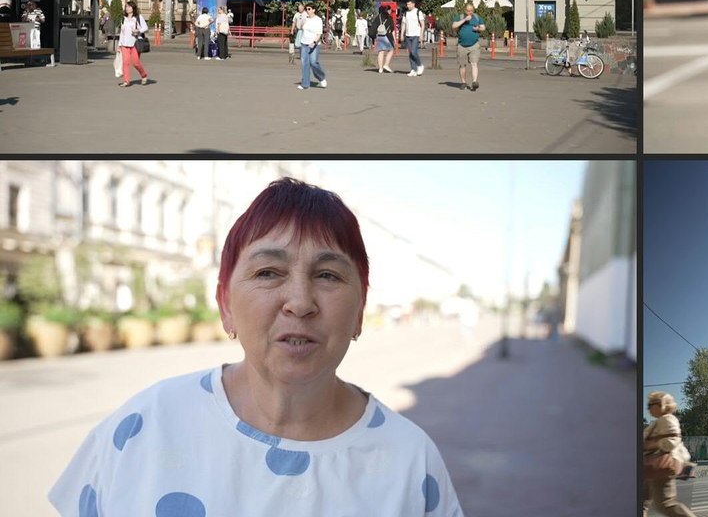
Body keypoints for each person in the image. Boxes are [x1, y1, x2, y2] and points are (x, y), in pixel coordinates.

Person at [48, 178, 464, 516]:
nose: (300, 302)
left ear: (360, 311)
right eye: (268, 272)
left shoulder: (409, 459)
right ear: (225, 304)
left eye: (328, 276)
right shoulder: (145, 426)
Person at [643, 392, 696, 517]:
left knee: (665, 503)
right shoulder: (659, 421)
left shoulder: (667, 419)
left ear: (660, 405)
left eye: (650, 405)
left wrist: (650, 445)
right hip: (649, 468)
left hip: (660, 465)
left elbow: (672, 441)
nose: (648, 408)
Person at [452, 2, 486, 91]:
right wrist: (464, 20)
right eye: (468, 11)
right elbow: (454, 26)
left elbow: (483, 27)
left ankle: (474, 82)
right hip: (462, 45)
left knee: (474, 63)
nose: (469, 12)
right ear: (465, 10)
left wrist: (478, 28)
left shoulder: (477, 17)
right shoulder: (460, 17)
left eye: (471, 10)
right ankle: (463, 82)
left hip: (474, 45)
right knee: (462, 65)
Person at [117, 1, 150, 88]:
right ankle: (126, 81)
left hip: (135, 43)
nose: (127, 8)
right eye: (126, 7)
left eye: (129, 7)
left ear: (133, 8)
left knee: (136, 63)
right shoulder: (123, 19)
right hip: (124, 43)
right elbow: (122, 32)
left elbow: (145, 28)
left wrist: (138, 31)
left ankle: (144, 75)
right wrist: (119, 45)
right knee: (125, 63)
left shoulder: (138, 17)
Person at [298, 4, 328, 90]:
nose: (307, 10)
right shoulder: (305, 18)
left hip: (314, 44)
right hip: (304, 43)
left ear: (314, 10)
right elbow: (300, 27)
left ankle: (321, 77)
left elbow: (319, 33)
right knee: (305, 63)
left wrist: (314, 42)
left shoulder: (318, 20)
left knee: (313, 62)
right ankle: (305, 84)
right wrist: (302, 20)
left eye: (309, 9)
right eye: (306, 9)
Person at [401, 0, 426, 76]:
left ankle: (419, 65)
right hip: (408, 35)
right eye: (407, 4)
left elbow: (423, 24)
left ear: (413, 4)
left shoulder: (418, 12)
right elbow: (403, 24)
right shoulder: (406, 13)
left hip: (416, 35)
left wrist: (421, 35)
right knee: (410, 53)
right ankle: (413, 69)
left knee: (414, 52)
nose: (407, 5)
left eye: (409, 4)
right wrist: (402, 34)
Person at [375, 8, 395, 74]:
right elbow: (392, 28)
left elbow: (373, 27)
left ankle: (380, 69)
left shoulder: (378, 17)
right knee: (391, 50)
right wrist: (394, 39)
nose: (390, 11)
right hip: (387, 36)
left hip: (379, 36)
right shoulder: (389, 18)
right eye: (390, 10)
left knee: (381, 52)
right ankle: (386, 64)